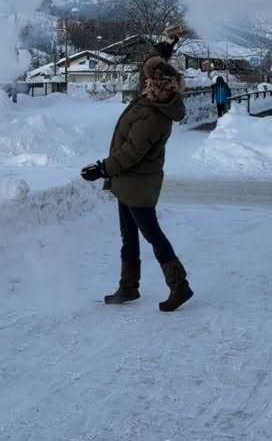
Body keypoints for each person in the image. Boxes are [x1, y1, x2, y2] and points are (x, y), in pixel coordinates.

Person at [80, 53, 193, 312]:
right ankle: (128, 286)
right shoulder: (151, 101)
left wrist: (102, 168)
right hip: (127, 183)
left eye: (149, 80)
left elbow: (131, 152)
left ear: (157, 87)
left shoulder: (155, 116)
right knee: (128, 236)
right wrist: (162, 50)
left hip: (138, 185)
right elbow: (152, 69)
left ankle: (179, 285)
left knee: (153, 235)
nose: (144, 82)